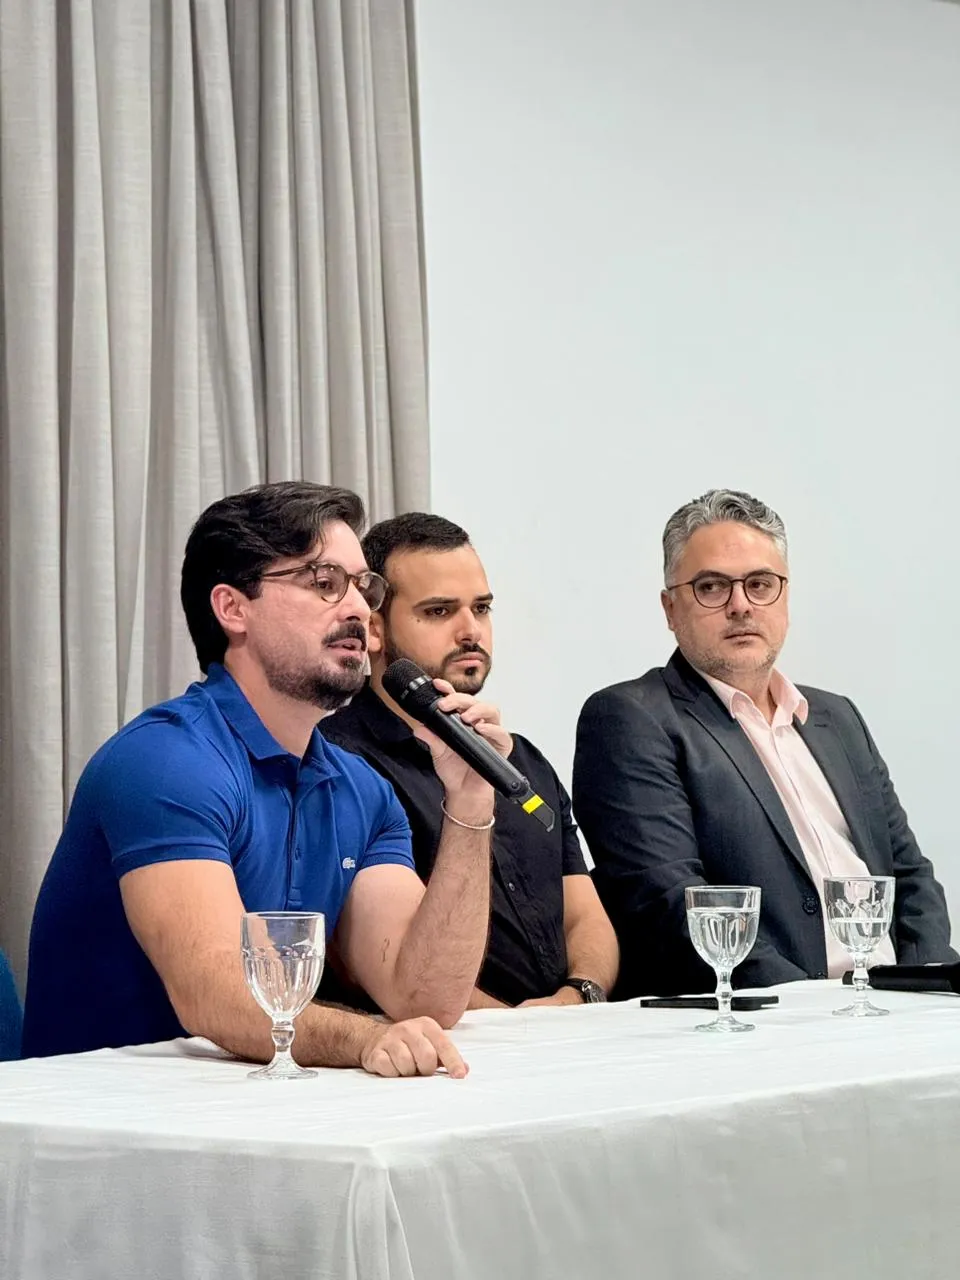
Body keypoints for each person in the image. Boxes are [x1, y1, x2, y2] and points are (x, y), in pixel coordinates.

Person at [23, 482, 513, 1076]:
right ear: (233, 609)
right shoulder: (164, 760)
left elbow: (424, 997)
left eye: (364, 587)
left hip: (253, 1117)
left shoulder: (362, 790)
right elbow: (216, 995)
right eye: (325, 583)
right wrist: (363, 1041)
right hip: (97, 1127)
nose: (360, 609)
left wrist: (469, 800)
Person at [573, 488, 955, 997]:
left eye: (760, 584)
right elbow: (668, 904)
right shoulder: (631, 718)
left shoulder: (837, 718)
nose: (740, 606)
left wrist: (927, 989)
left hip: (890, 1009)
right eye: (711, 587)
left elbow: (910, 878)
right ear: (670, 608)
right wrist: (812, 1009)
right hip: (761, 1021)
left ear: (785, 596)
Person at [320, 512, 618, 1008]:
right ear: (373, 630)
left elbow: (582, 914)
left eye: (481, 609)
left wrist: (578, 995)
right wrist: (518, 1030)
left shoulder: (520, 756)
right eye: (439, 612)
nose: (470, 631)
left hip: (570, 1036)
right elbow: (365, 961)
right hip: (444, 1051)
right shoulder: (338, 763)